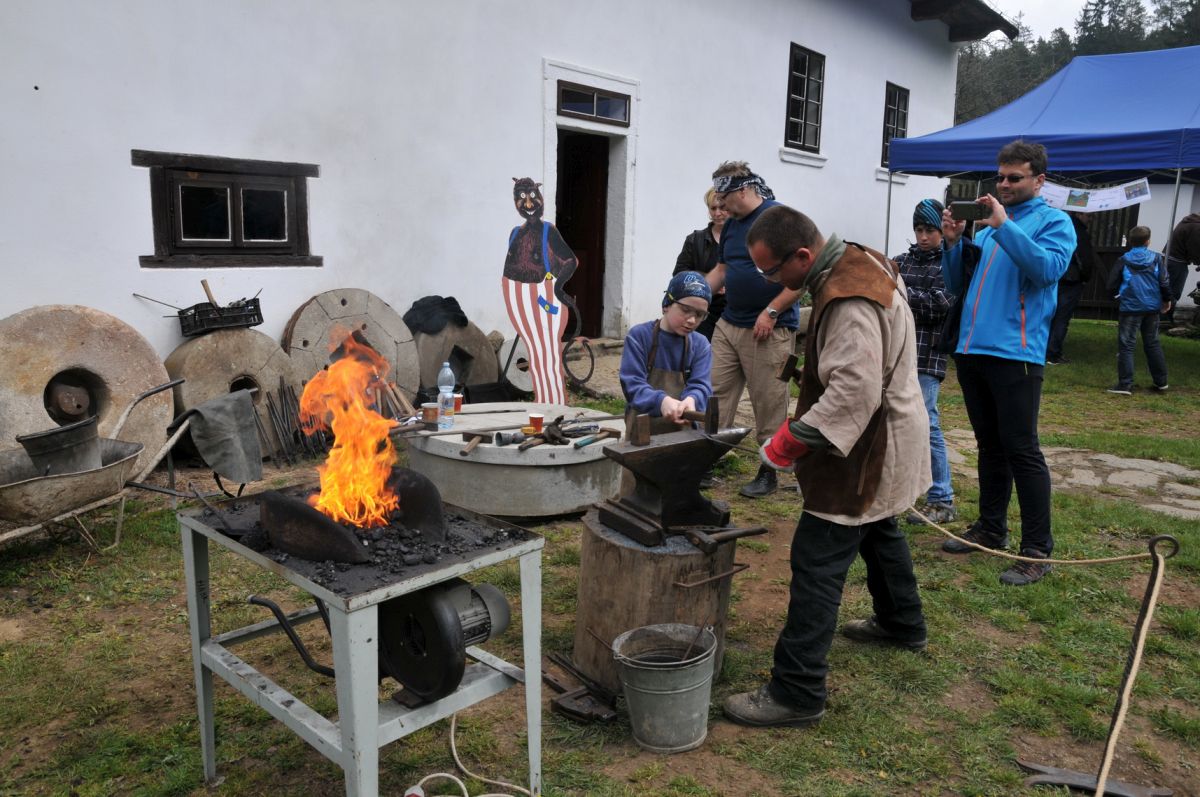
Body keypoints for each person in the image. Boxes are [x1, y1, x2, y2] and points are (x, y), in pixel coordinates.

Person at [721, 205, 929, 729]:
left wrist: (787, 444)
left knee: (817, 560)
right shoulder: (860, 258)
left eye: (773, 271)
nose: (771, 282)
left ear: (803, 255)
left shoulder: (849, 296)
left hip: (868, 446)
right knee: (879, 528)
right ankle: (902, 622)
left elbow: (854, 390)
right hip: (886, 430)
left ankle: (797, 690)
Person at [938, 140, 1076, 587]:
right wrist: (954, 243)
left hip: (1016, 354)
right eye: (1000, 177)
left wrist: (1003, 226)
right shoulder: (989, 227)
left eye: (1014, 178)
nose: (1004, 184)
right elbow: (957, 284)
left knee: (1022, 449)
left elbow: (1047, 271)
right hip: (973, 349)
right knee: (989, 446)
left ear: (1039, 180)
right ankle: (990, 528)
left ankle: (1037, 550)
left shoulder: (1054, 222)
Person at [704, 161, 802, 498]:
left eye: (725, 197)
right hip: (729, 323)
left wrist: (772, 311)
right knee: (713, 392)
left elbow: (803, 276)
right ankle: (705, 458)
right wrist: (693, 296)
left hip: (769, 330)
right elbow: (722, 269)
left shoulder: (779, 219)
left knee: (769, 400)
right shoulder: (732, 226)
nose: (720, 205)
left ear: (744, 190)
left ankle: (769, 471)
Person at [894, 199, 957, 526]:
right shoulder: (900, 262)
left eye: (930, 230)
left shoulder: (949, 264)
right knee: (895, 423)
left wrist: (899, 294)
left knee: (927, 424)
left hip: (927, 356)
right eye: (918, 229)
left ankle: (942, 498)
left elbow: (940, 304)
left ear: (941, 231)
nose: (923, 236)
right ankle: (901, 491)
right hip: (895, 355)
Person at [619, 271, 713, 430]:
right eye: (685, 310)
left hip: (684, 435)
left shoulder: (701, 345)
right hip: (642, 433)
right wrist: (660, 402)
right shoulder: (639, 337)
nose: (692, 320)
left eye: (699, 314)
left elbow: (701, 385)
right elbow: (632, 384)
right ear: (666, 305)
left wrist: (693, 399)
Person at [1105, 226, 1171, 395]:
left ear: (1130, 241)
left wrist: (1117, 298)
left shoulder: (1123, 260)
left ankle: (1125, 384)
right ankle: (1161, 382)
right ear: (1148, 241)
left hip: (1130, 307)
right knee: (1152, 343)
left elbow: (1111, 284)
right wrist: (1167, 300)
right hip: (1152, 307)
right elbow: (1164, 282)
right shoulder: (1157, 259)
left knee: (1127, 346)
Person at [673, 188, 729, 340]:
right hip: (702, 312)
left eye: (722, 208)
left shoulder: (743, 239)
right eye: (713, 208)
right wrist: (708, 281)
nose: (717, 213)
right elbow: (679, 273)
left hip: (732, 313)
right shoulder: (695, 239)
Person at [1045, 212, 1099, 364]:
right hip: (1071, 279)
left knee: (1049, 314)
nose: (1091, 219)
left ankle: (1043, 348)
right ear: (1080, 214)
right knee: (1062, 317)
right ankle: (1053, 354)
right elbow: (1085, 258)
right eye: (1089, 216)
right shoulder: (1079, 232)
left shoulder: (1058, 227)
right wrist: (1085, 277)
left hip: (1055, 276)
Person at [1164, 212, 1200, 327]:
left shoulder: (1188, 222)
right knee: (1173, 293)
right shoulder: (1196, 226)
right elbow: (1195, 248)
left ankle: (1163, 319)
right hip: (1177, 263)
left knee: (1167, 291)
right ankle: (1164, 321)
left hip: (1169, 259)